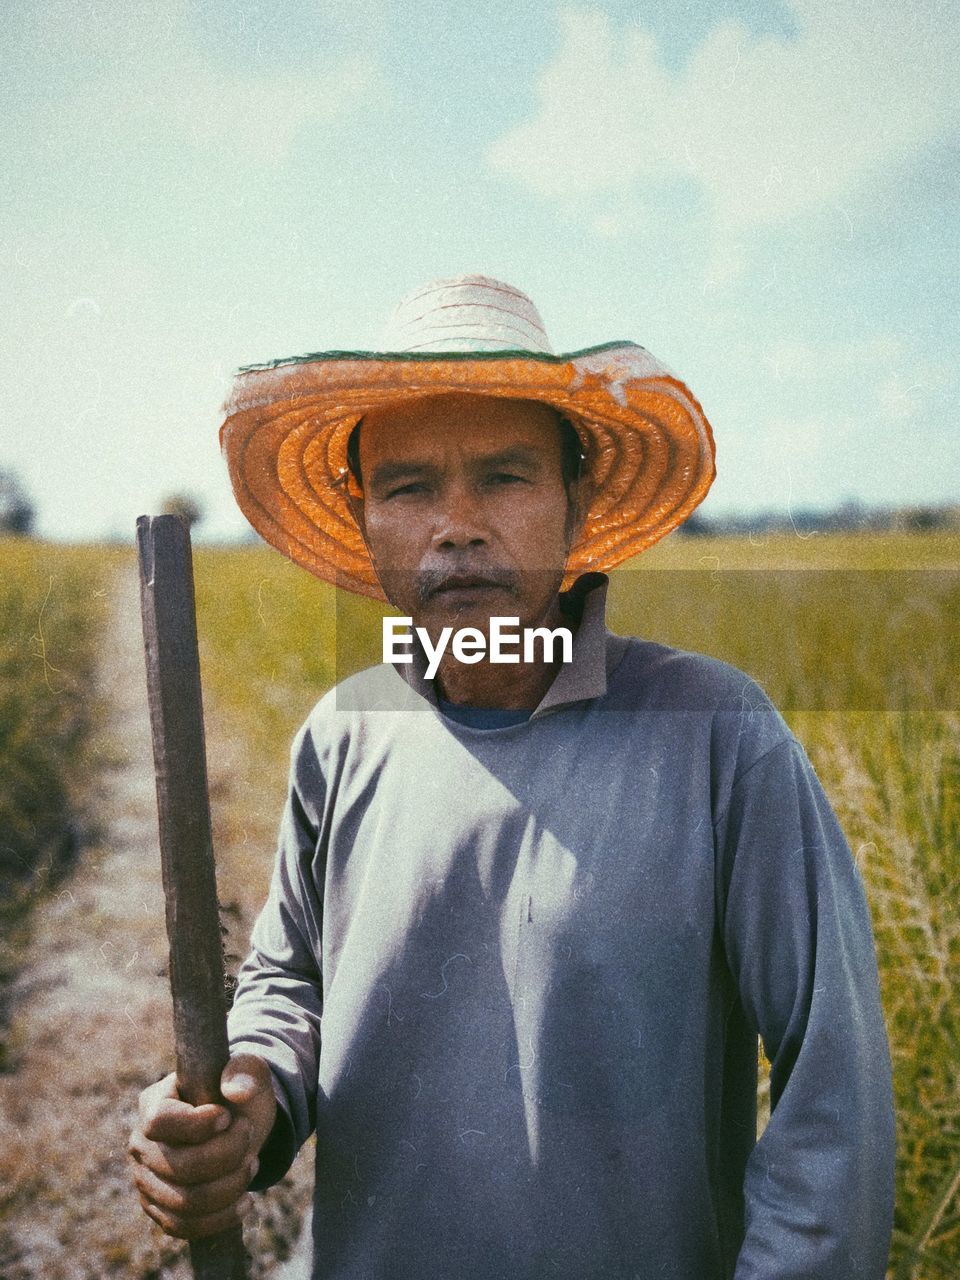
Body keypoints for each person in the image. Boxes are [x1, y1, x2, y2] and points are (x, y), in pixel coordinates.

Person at [129, 275, 896, 1278]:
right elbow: (292, 979)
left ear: (577, 502)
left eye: (504, 475)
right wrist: (249, 1087)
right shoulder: (343, 734)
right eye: (408, 486)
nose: (457, 524)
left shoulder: (714, 734)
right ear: (365, 520)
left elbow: (833, 1083)